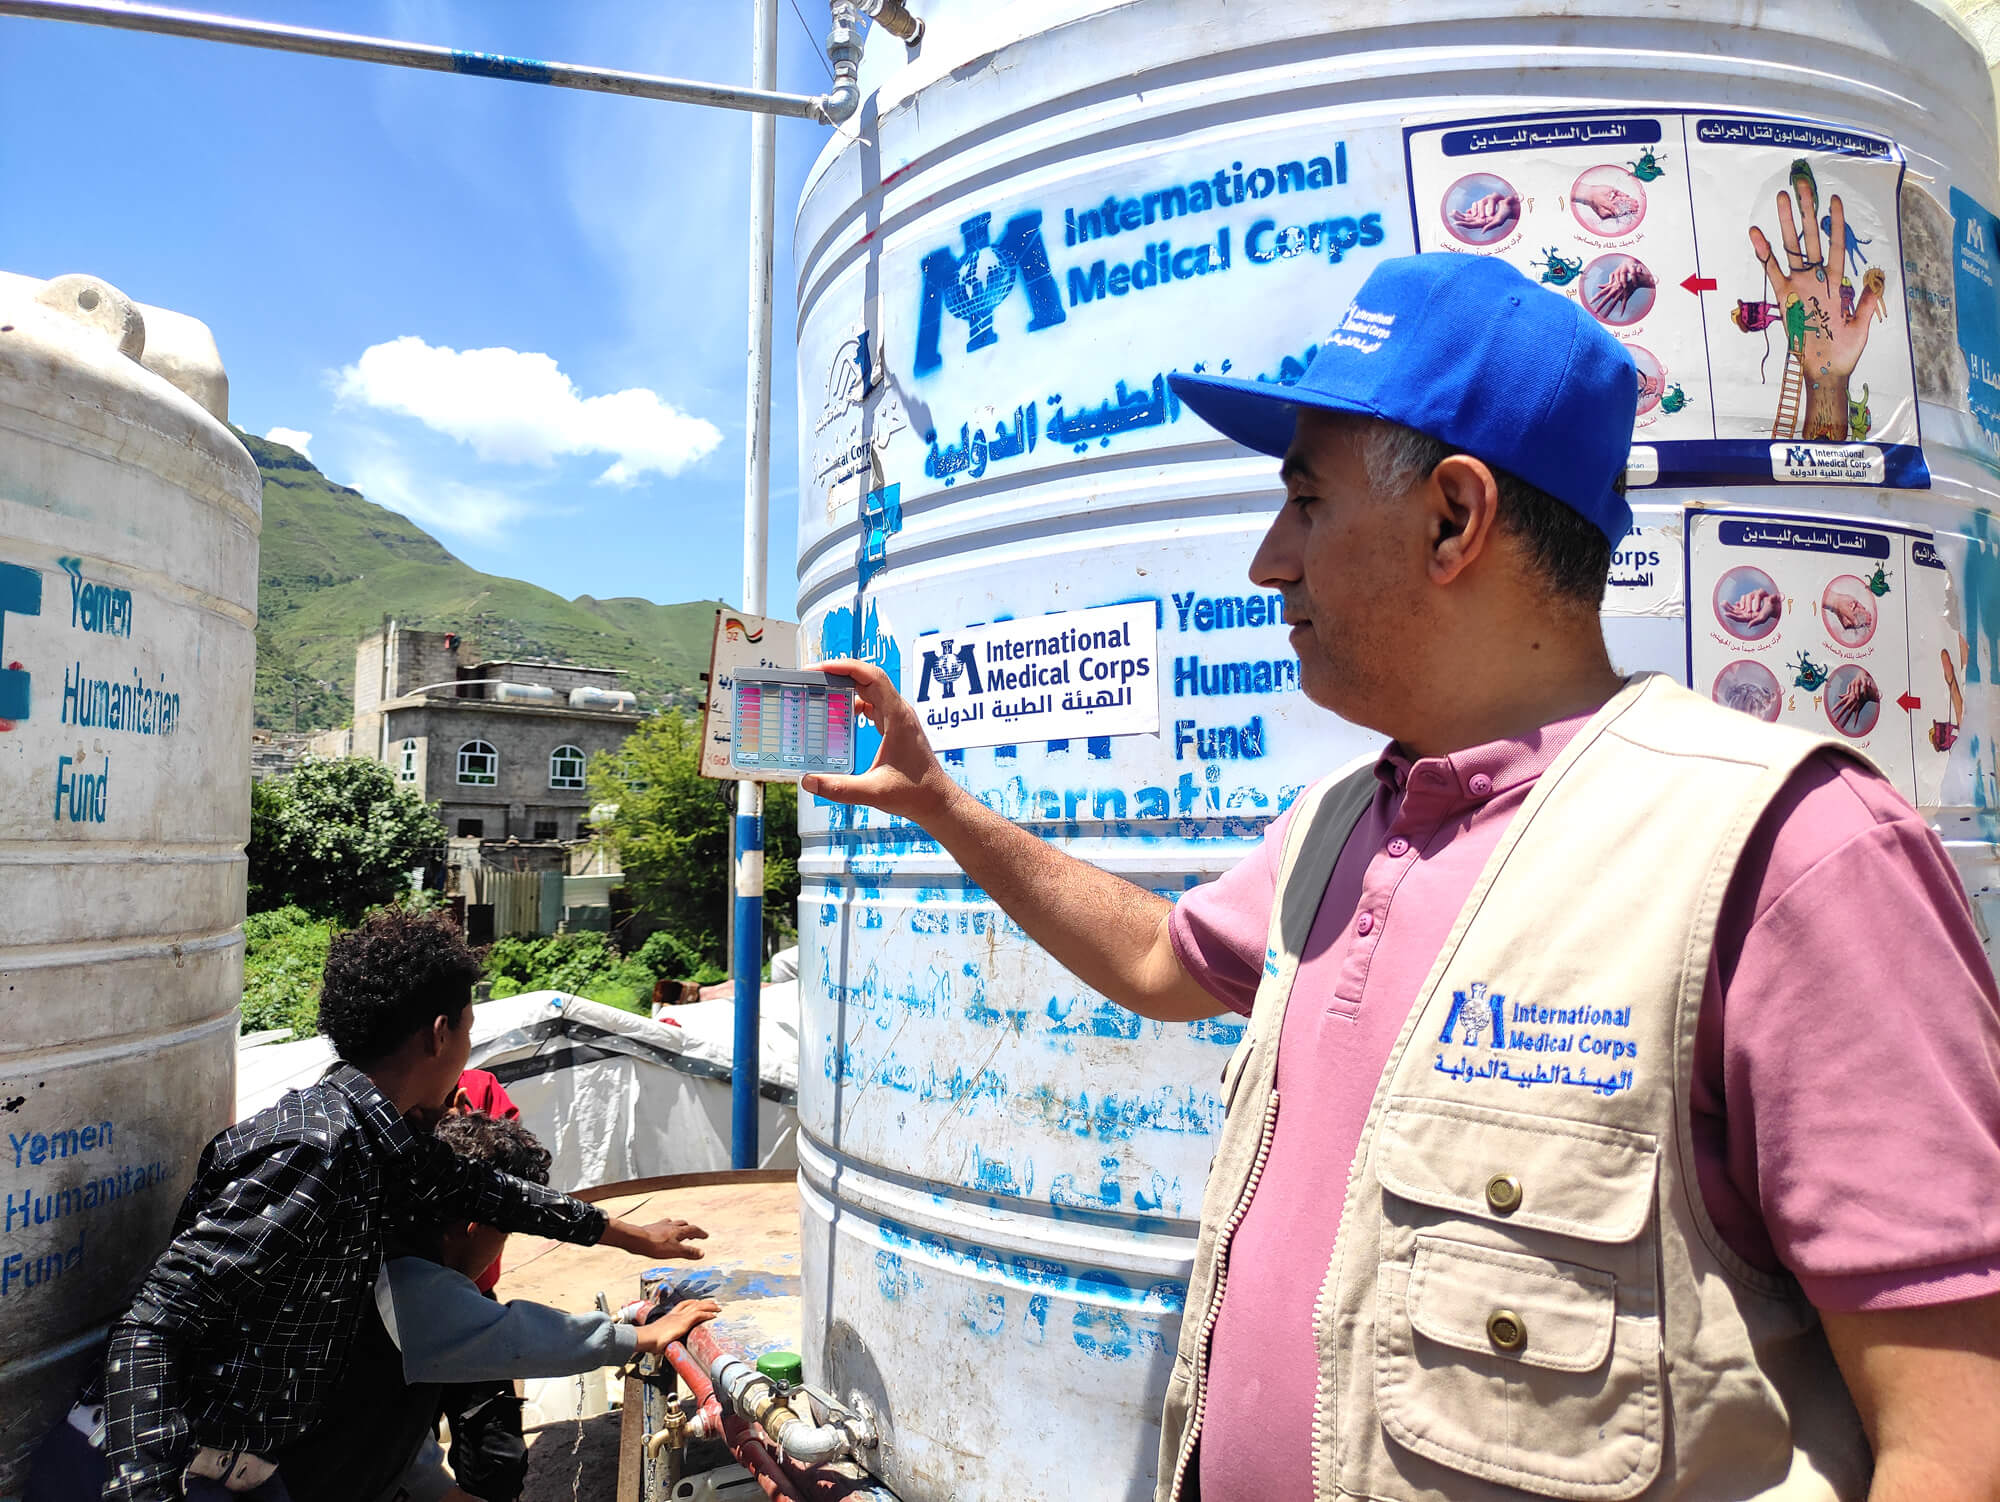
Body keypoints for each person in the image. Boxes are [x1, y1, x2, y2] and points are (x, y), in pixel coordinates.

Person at [801, 253, 2000, 1500]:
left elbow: (1958, 1444)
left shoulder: (1784, 851)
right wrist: (942, 807)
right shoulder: (1342, 820)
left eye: (1304, 503)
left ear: (1452, 517)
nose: (1269, 560)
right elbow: (1158, 959)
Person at [27, 908, 708, 1502]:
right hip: (154, 1473)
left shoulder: (379, 1135)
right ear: (439, 1033)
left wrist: (630, 1235)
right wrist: (144, 1489)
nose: (470, 1054)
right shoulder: (315, 1148)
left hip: (237, 1472)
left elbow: (485, 1190)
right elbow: (158, 1323)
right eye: (470, 1032)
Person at [279, 1110, 720, 1502]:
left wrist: (439, 1488)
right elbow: (517, 1335)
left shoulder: (382, 1260)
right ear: (474, 1227)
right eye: (505, 1232)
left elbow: (383, 1415)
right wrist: (638, 1336)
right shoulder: (410, 1290)